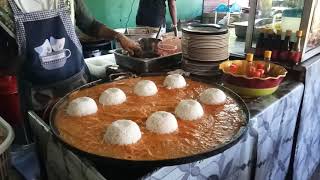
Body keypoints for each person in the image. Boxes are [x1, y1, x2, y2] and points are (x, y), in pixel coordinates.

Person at [0, 0, 142, 117]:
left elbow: (91, 25)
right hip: (38, 96)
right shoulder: (5, 6)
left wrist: (119, 37)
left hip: (77, 86)